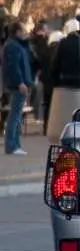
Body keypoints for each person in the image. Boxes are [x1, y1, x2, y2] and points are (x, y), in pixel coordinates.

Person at [47, 19, 80, 144]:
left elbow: (56, 64)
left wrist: (54, 82)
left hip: (65, 85)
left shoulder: (62, 44)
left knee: (64, 117)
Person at [2, 21, 33, 155]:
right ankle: (12, 145)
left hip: (20, 83)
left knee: (16, 115)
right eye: (23, 29)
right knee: (15, 115)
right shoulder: (13, 46)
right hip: (18, 84)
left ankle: (15, 144)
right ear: (17, 31)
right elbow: (14, 66)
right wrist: (20, 82)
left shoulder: (15, 45)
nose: (25, 31)